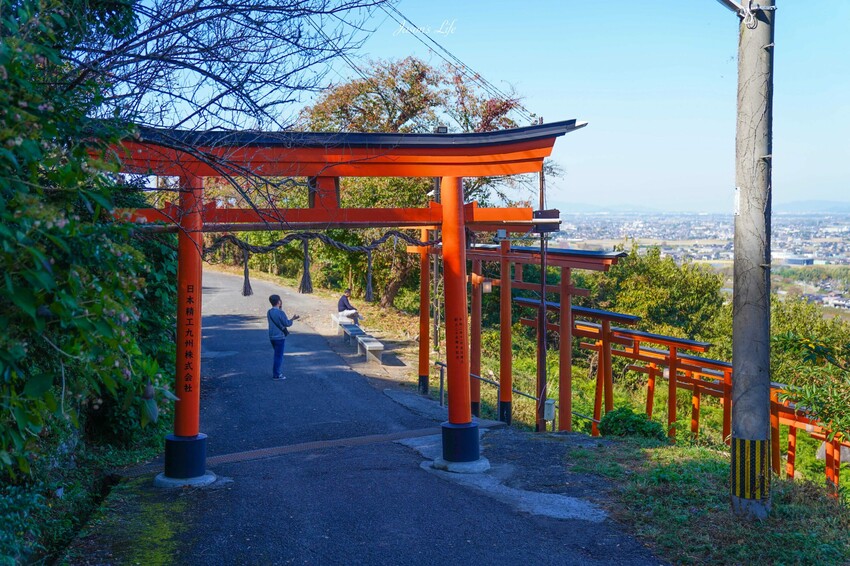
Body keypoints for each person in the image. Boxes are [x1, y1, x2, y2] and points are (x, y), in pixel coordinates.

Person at [267, 294, 299, 380]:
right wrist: (292, 319)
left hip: (271, 336)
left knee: (276, 354)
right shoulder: (281, 313)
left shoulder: (269, 312)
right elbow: (287, 323)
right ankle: (276, 374)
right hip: (279, 337)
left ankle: (276, 373)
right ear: (278, 302)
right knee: (278, 356)